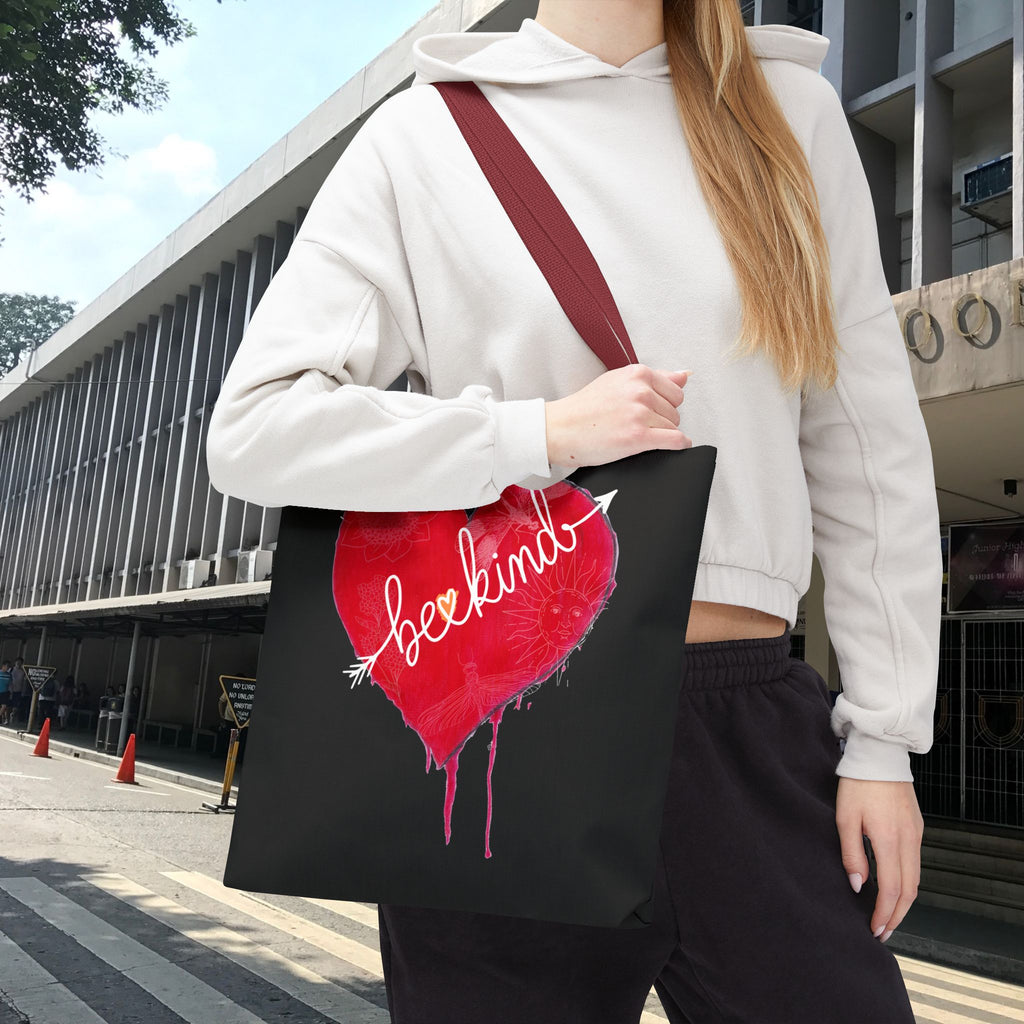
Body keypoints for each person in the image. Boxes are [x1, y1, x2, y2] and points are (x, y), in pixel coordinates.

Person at [204, 2, 941, 1021]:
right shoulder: (426, 132)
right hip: (508, 736)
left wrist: (882, 742)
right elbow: (256, 427)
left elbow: (867, 451)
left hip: (745, 722)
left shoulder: (785, 111)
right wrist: (538, 434)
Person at [0, 660, 12, 727]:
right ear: (3, 666)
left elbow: (10, 684)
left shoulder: (9, 675)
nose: (8, 668)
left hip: (5, 692)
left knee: (4, 706)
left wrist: (11, 692)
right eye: (7, 666)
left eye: (9, 666)